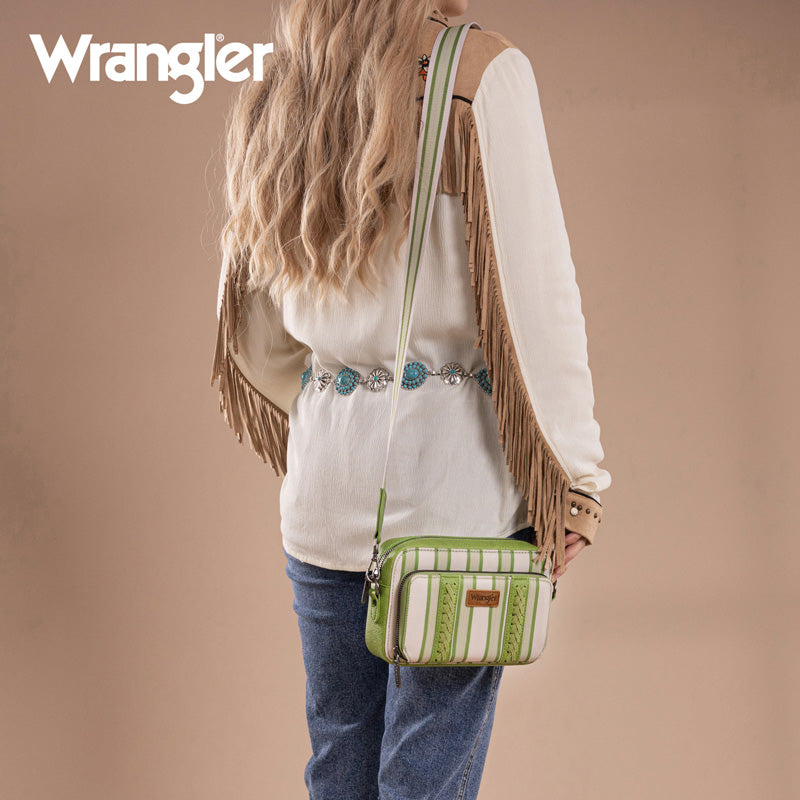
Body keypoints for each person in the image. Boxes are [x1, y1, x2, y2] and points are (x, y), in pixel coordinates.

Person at [210, 2, 611, 798]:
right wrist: (574, 481)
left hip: (324, 484)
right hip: (450, 489)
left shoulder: (287, 79)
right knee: (425, 780)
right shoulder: (478, 70)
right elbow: (536, 292)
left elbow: (254, 296)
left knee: (339, 760)